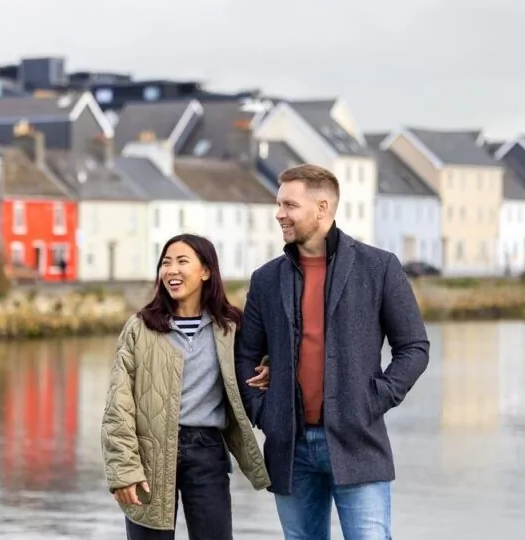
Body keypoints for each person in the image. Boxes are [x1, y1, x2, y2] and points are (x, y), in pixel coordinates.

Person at [235, 164, 430, 540]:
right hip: (290, 447)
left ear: (322, 208)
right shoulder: (265, 279)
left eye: (289, 205)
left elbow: (414, 348)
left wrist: (373, 399)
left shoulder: (379, 267)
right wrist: (265, 413)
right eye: (279, 205)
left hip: (358, 440)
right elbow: (245, 355)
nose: (279, 214)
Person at [101, 233, 272, 540]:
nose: (171, 271)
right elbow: (118, 405)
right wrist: (124, 471)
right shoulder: (140, 328)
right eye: (165, 263)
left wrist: (268, 364)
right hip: (149, 454)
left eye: (182, 261)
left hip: (208, 452)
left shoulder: (232, 327)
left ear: (206, 271)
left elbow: (265, 355)